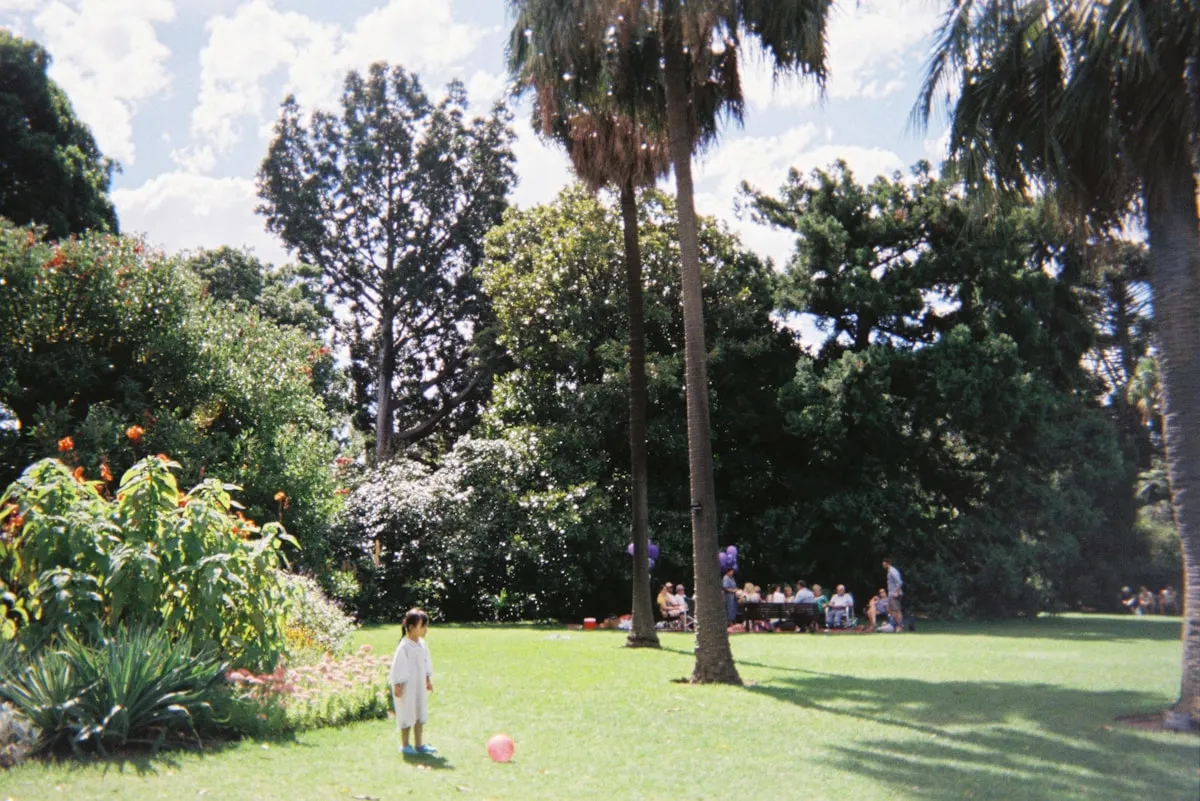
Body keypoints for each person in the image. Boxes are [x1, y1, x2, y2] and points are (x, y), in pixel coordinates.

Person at [391, 608, 435, 755]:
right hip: (407, 686)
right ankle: (405, 744)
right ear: (411, 627)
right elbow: (398, 667)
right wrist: (398, 685)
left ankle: (419, 744)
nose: (425, 629)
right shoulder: (404, 647)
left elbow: (426, 662)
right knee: (407, 712)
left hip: (419, 685)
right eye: (422, 626)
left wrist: (427, 679)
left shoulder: (422, 645)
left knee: (419, 711)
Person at [882, 558, 904, 632]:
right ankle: (895, 624)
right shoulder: (889, 572)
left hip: (895, 594)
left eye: (884, 564)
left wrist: (897, 593)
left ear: (888, 563)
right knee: (889, 609)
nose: (883, 565)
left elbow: (899, 582)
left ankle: (900, 626)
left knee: (897, 610)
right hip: (891, 594)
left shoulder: (892, 571)